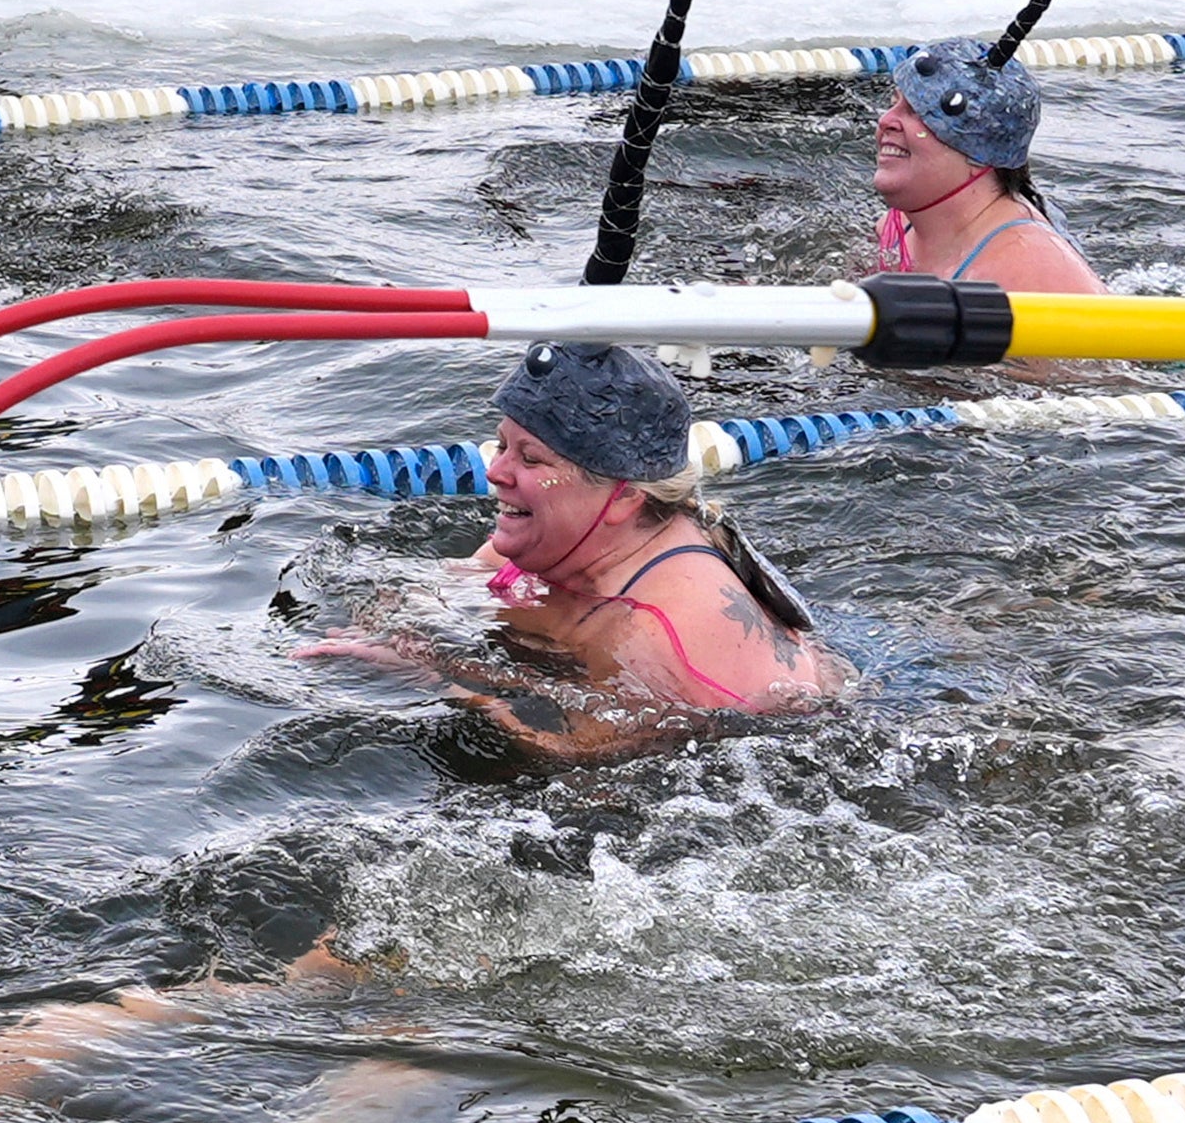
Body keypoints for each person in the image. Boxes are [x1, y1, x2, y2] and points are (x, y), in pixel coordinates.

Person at [323, 342, 840, 758]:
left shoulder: (652, 632)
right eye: (501, 445)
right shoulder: (556, 541)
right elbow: (432, 595)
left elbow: (574, 753)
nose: (495, 472)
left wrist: (436, 677)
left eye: (530, 459)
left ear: (625, 496)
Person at [868, 42, 1104, 292]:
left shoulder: (1031, 271)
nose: (885, 120)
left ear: (978, 154)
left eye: (916, 112)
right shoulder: (895, 229)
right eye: (894, 102)